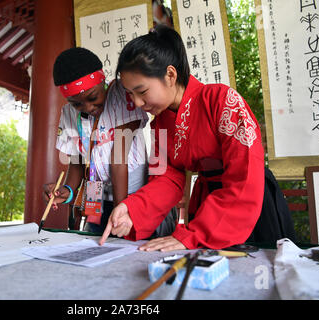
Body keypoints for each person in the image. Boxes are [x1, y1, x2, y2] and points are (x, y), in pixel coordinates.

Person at [99, 25, 265, 251]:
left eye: (142, 91)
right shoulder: (160, 124)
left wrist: (195, 234)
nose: (137, 103)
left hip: (245, 208)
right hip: (206, 209)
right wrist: (132, 210)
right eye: (131, 94)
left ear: (170, 75)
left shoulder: (222, 101)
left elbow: (245, 176)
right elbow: (167, 178)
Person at [44, 47, 177, 235]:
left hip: (134, 196)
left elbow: (118, 158)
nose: (88, 107)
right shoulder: (68, 113)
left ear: (103, 82)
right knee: (99, 248)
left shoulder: (121, 95)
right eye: (77, 104)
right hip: (98, 198)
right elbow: (77, 161)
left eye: (93, 98)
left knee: (135, 247)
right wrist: (67, 190)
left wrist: (120, 210)